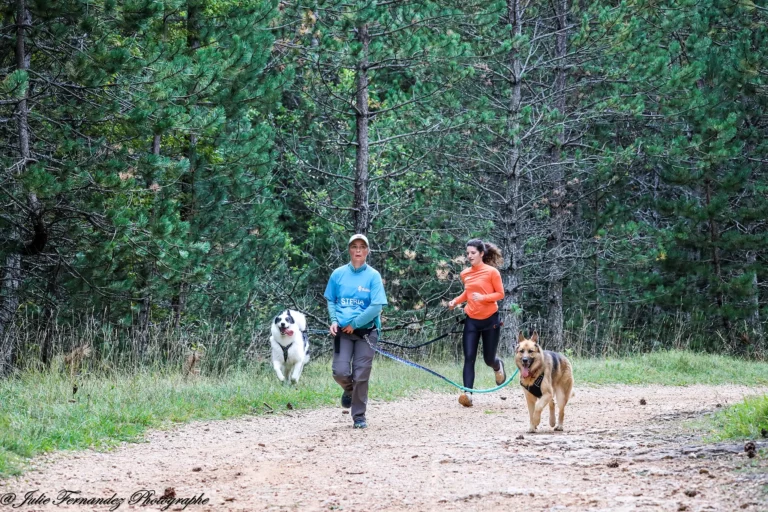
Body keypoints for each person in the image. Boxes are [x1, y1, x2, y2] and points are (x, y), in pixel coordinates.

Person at [324, 234, 388, 429]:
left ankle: (359, 416)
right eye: (354, 246)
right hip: (343, 333)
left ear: (367, 251)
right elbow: (331, 300)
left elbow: (377, 306)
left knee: (361, 374)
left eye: (362, 247)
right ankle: (350, 391)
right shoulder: (338, 274)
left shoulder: (373, 276)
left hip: (366, 333)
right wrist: (334, 321)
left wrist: (355, 323)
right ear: (349, 250)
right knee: (340, 372)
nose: (358, 250)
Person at [447, 238, 506, 407]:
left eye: (473, 253)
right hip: (472, 319)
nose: (469, 256)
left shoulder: (492, 272)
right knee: (469, 358)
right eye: (467, 253)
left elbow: (500, 294)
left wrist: (484, 298)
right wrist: (455, 301)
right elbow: (468, 293)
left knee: (488, 358)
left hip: (490, 320)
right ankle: (468, 394)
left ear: (481, 253)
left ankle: (497, 365)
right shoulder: (465, 273)